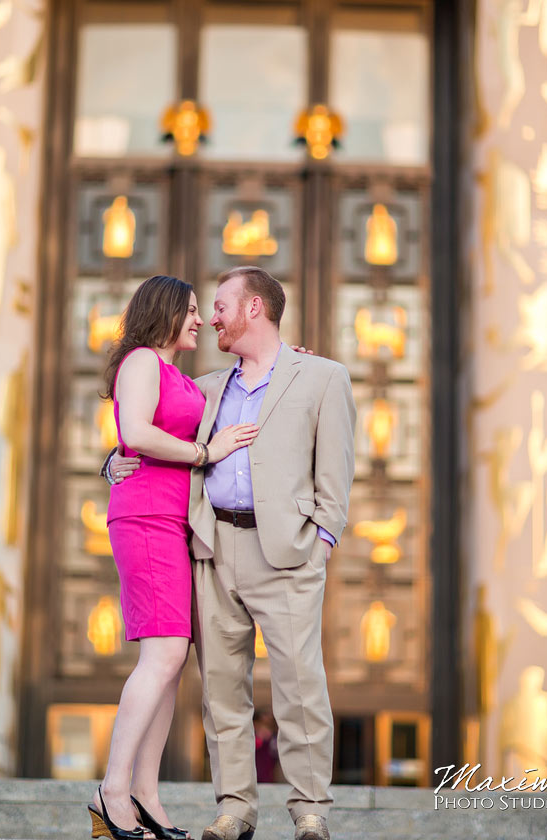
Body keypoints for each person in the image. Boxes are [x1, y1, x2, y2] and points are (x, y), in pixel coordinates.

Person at [110, 267, 356, 840]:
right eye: (203, 308)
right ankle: (234, 808)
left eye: (218, 305)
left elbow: (337, 469)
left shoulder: (321, 376)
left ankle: (310, 810)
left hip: (288, 554)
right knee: (222, 689)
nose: (209, 316)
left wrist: (321, 541)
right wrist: (111, 460)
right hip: (212, 548)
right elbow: (146, 427)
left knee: (299, 685)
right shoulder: (209, 387)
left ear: (254, 309)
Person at [90, 275, 259, 840]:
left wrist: (288, 362)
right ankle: (113, 789)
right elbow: (135, 431)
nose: (199, 320)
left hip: (172, 523)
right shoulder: (140, 360)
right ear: (163, 312)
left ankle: (144, 793)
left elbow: (224, 389)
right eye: (190, 310)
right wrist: (204, 452)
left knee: (171, 660)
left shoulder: (177, 376)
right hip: (144, 519)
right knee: (161, 659)